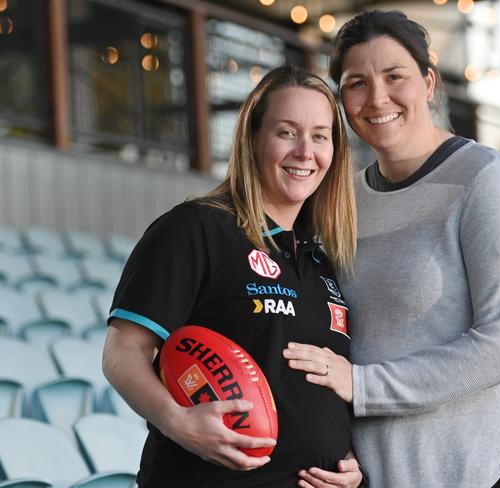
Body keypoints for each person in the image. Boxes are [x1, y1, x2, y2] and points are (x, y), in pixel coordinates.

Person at [284, 10, 500, 488]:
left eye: (395, 77)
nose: (377, 98)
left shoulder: (487, 181)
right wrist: (337, 445)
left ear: (429, 83)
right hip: (383, 470)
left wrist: (362, 386)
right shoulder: (339, 200)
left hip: (483, 465)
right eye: (356, 83)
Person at [102, 65, 363, 488]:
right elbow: (121, 352)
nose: (305, 151)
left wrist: (346, 456)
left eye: (319, 136)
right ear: (253, 139)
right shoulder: (195, 228)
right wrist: (177, 420)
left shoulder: (320, 260)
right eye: (286, 132)